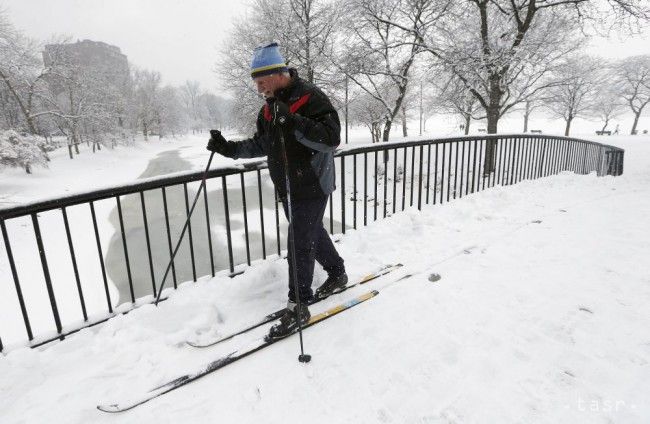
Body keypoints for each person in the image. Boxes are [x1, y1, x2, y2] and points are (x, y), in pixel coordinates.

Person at [207, 42, 347, 339]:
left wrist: (293, 120)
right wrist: (227, 149)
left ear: (277, 74)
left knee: (299, 241)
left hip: (312, 184)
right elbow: (262, 144)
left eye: (260, 81)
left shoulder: (311, 97)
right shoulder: (268, 109)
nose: (258, 88)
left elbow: (330, 139)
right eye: (255, 83)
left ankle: (299, 306)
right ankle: (337, 273)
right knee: (311, 233)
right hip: (287, 185)